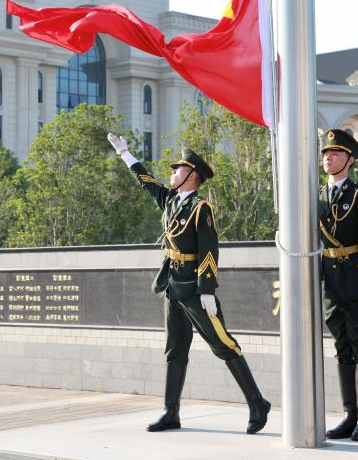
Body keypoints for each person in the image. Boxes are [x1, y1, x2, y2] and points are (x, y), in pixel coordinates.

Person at [107, 133, 271, 435]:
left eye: (176, 170)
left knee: (223, 343)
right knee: (175, 349)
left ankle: (257, 403)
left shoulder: (200, 208)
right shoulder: (170, 201)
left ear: (191, 176)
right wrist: (125, 154)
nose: (171, 174)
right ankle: (171, 413)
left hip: (194, 287)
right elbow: (147, 181)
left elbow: (210, 250)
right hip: (172, 284)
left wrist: (207, 288)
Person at [318, 129, 358, 441]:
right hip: (331, 282)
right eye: (326, 153)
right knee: (341, 349)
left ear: (350, 159)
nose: (328, 158)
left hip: (356, 280)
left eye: (336, 153)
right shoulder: (315, 195)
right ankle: (349, 414)